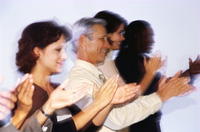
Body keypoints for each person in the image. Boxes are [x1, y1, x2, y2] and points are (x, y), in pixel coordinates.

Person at [67, 17, 194, 132]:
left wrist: (160, 94)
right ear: (84, 41)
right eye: (102, 39)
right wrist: (159, 96)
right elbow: (117, 119)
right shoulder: (81, 79)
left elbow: (127, 105)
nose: (107, 44)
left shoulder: (97, 75)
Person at [15, 20, 136, 132]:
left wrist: (108, 102)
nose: (64, 56)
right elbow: (59, 130)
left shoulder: (57, 89)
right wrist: (98, 104)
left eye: (64, 50)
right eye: (58, 50)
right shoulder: (26, 95)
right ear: (37, 51)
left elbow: (87, 126)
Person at [115, 20, 200, 132]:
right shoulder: (124, 62)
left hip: (147, 124)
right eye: (147, 36)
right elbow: (135, 97)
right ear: (136, 37)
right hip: (137, 126)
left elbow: (161, 86)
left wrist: (190, 72)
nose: (152, 41)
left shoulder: (141, 60)